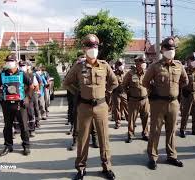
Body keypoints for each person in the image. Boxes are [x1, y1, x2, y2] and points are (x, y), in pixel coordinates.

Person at [63, 34, 118, 180]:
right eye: (89, 46)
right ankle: (81, 169)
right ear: (84, 48)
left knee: (103, 138)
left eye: (94, 46)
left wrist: (107, 93)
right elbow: (66, 83)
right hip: (84, 106)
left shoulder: (104, 65)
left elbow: (114, 82)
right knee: (83, 139)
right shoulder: (78, 66)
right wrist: (78, 93)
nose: (92, 49)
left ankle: (107, 167)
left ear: (97, 48)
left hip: (101, 106)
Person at [144, 37, 188, 169]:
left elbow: (185, 81)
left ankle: (172, 156)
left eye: (172, 48)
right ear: (162, 50)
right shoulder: (155, 66)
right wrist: (153, 93)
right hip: (158, 103)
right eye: (168, 48)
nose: (170, 51)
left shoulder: (179, 65)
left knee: (171, 130)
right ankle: (152, 157)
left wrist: (176, 90)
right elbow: (145, 82)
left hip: (173, 103)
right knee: (155, 131)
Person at [0, 55, 32, 157]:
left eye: (11, 61)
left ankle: (26, 145)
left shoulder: (22, 74)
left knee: (24, 126)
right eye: (7, 61)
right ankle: (8, 146)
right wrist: (1, 94)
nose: (9, 63)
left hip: (20, 104)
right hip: (7, 104)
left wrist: (27, 97)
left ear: (15, 62)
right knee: (7, 126)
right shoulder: (2, 75)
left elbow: (31, 86)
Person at [122, 55, 149, 143]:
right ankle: (130, 135)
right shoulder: (130, 74)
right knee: (132, 119)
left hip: (145, 100)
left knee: (145, 118)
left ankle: (145, 133)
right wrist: (129, 94)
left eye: (144, 62)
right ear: (137, 63)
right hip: (133, 100)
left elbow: (151, 84)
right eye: (142, 62)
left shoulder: (147, 73)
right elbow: (124, 85)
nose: (143, 64)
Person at [180, 52, 195, 138]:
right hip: (187, 95)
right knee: (185, 113)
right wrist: (183, 89)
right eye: (192, 60)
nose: (194, 62)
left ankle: (194, 129)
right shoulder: (184, 70)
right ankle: (182, 130)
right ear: (188, 61)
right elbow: (180, 82)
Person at [112, 59, 128, 129]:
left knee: (127, 108)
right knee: (117, 109)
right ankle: (117, 122)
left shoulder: (127, 73)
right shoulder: (113, 73)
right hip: (116, 93)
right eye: (119, 64)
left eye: (121, 64)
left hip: (124, 93)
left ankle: (130, 121)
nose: (120, 66)